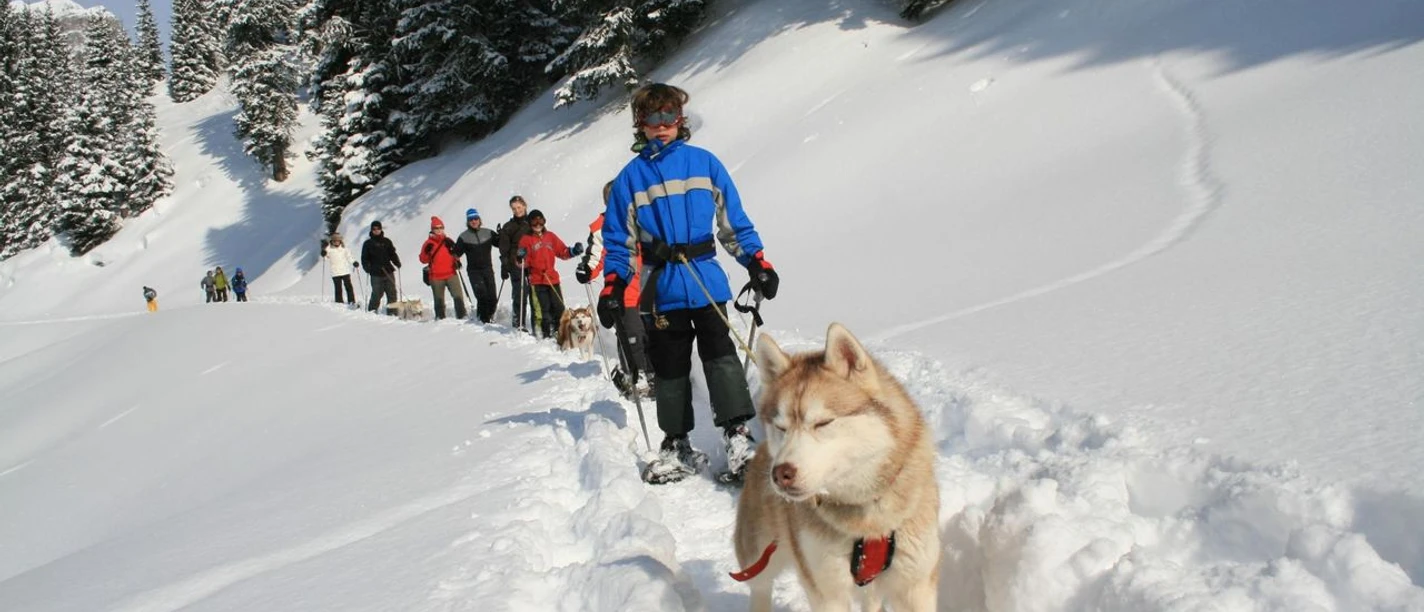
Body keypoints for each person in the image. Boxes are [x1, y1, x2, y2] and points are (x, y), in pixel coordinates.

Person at [600, 83, 781, 484]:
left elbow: (733, 222)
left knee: (721, 358)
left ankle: (737, 436)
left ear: (680, 120)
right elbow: (618, 242)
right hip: (661, 288)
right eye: (653, 119)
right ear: (640, 125)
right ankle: (677, 442)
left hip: (706, 282)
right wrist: (614, 287)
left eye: (670, 117)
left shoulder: (705, 163)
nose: (662, 126)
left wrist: (756, 261)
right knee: (670, 368)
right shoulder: (630, 179)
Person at [577, 181, 653, 399]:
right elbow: (596, 256)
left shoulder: (641, 218)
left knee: (652, 333)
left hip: (649, 288)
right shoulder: (602, 227)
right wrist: (587, 270)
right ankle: (633, 375)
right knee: (633, 335)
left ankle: (654, 373)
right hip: (624, 290)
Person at [517, 209, 583, 339]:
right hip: (537, 280)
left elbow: (562, 251)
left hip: (552, 278)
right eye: (534, 221)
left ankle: (561, 332)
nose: (538, 224)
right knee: (543, 310)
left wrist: (573, 251)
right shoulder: (526, 239)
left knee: (558, 307)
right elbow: (521, 263)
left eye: (540, 220)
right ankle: (543, 334)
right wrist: (520, 258)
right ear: (530, 224)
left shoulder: (550, 237)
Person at [453, 207, 499, 323]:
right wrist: (456, 259)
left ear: (479, 219)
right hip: (474, 271)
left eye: (475, 218)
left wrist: (501, 234)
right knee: (482, 295)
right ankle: (484, 321)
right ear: (468, 222)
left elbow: (499, 243)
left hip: (488, 269)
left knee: (492, 297)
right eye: (470, 219)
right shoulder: (464, 237)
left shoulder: (488, 233)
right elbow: (456, 252)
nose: (473, 221)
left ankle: (486, 316)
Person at [418, 216, 468, 320]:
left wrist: (457, 262)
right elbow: (423, 260)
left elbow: (455, 254)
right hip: (436, 276)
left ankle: (462, 317)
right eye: (436, 228)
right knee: (439, 300)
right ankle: (440, 319)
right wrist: (426, 252)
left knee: (458, 297)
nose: (439, 230)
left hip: (451, 273)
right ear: (432, 229)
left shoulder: (448, 241)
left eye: (441, 227)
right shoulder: (428, 243)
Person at [496, 195, 533, 331]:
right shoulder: (508, 227)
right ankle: (518, 323)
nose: (517, 211)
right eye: (514, 208)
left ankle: (538, 323)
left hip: (533, 262)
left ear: (524, 206)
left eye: (519, 207)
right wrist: (504, 265)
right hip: (516, 263)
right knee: (520, 292)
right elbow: (504, 249)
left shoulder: (533, 222)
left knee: (535, 293)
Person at [361, 220, 402, 313]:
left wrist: (397, 262)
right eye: (374, 229)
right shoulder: (368, 243)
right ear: (371, 230)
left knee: (392, 293)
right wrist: (367, 267)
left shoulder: (387, 241)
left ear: (381, 229)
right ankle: (372, 311)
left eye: (378, 228)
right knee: (377, 294)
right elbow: (364, 258)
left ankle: (392, 312)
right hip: (375, 273)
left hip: (388, 271)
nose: (376, 230)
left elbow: (392, 254)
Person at [322, 233, 358, 305]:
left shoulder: (344, 248)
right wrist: (324, 254)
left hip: (345, 270)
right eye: (334, 241)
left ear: (340, 241)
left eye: (338, 240)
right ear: (332, 241)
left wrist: (354, 262)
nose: (336, 242)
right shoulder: (329, 249)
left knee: (349, 287)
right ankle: (339, 302)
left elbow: (349, 257)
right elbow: (325, 258)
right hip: (335, 272)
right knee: (338, 288)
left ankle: (351, 301)